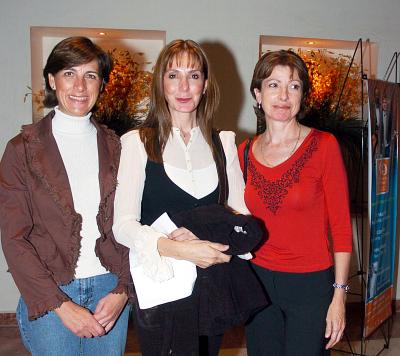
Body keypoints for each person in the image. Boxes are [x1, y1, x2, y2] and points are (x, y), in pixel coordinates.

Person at [112, 39, 252, 356]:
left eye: (194, 75)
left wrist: (220, 247)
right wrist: (176, 248)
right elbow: (122, 225)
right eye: (173, 75)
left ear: (205, 83)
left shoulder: (224, 143)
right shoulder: (137, 142)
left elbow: (239, 218)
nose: (184, 86)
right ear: (160, 83)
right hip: (161, 287)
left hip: (211, 287)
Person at [0, 37, 131, 356]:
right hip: (51, 288)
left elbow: (134, 223)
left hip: (109, 290)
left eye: (90, 75)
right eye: (69, 73)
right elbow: (14, 239)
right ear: (51, 79)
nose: (80, 86)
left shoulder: (119, 147)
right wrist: (61, 305)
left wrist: (124, 291)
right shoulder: (21, 150)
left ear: (101, 83)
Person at [238, 50, 353, 356]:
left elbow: (342, 229)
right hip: (258, 280)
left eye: (294, 86)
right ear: (257, 93)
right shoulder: (243, 152)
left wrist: (339, 297)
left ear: (303, 95)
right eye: (273, 85)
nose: (284, 95)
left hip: (311, 285)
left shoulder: (324, 146)